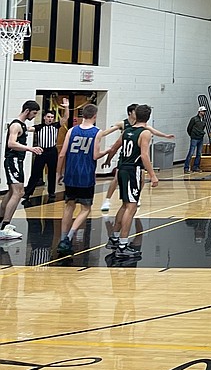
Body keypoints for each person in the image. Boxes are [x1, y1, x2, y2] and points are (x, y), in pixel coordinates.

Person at [54, 104, 113, 256]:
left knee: (69, 206)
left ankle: (62, 239)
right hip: (86, 175)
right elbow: (95, 156)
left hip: (71, 174)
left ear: (82, 115)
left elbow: (61, 154)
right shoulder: (97, 132)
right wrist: (106, 151)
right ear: (95, 116)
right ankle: (69, 237)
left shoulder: (72, 130)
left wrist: (59, 172)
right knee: (85, 208)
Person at [106, 104, 159, 261]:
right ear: (148, 118)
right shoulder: (145, 133)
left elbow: (115, 147)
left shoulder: (127, 130)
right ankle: (122, 245)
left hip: (121, 169)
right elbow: (144, 155)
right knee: (131, 207)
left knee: (125, 204)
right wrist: (153, 175)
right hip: (132, 170)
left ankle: (114, 238)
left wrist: (108, 160)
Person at [0, 100, 42, 240]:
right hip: (13, 161)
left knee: (12, 191)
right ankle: (5, 226)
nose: (34, 116)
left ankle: (2, 222)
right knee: (19, 192)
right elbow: (11, 143)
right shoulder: (16, 125)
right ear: (27, 111)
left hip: (17, 161)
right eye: (34, 113)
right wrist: (30, 148)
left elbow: (30, 129)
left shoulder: (22, 125)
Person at [23, 107, 60, 204]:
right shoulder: (39, 127)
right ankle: (27, 193)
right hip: (41, 151)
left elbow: (65, 118)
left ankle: (51, 192)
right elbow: (29, 129)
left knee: (52, 173)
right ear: (44, 117)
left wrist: (67, 107)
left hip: (52, 151)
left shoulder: (56, 126)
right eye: (48, 117)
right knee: (35, 173)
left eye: (52, 117)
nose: (50, 119)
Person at [184, 105, 207, 173]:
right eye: (203, 111)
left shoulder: (204, 120)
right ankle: (186, 167)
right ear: (199, 111)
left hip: (200, 138)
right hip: (194, 138)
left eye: (204, 111)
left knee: (199, 153)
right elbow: (189, 128)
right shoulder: (194, 119)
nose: (204, 112)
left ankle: (196, 167)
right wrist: (192, 135)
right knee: (191, 153)